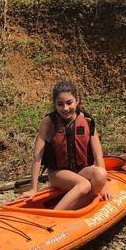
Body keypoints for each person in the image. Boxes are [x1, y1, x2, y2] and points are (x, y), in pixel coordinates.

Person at [22, 80, 109, 209]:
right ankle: (54, 215)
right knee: (84, 184)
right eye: (60, 104)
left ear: (77, 100)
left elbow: (98, 155)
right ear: (55, 104)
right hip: (58, 173)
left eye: (69, 103)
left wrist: (103, 185)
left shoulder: (87, 120)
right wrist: (33, 189)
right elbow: (37, 157)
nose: (65, 108)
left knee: (100, 174)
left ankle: (76, 205)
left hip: (81, 171)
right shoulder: (49, 121)